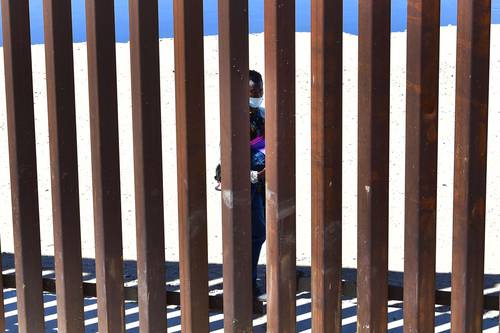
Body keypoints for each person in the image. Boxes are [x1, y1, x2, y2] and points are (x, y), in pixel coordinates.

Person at [215, 70, 266, 296]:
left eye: (260, 90)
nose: (258, 95)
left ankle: (247, 282)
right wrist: (255, 175)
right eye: (253, 91)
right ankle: (245, 284)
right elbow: (230, 161)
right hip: (248, 185)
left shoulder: (262, 115)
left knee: (258, 233)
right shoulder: (238, 119)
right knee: (252, 234)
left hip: (262, 183)